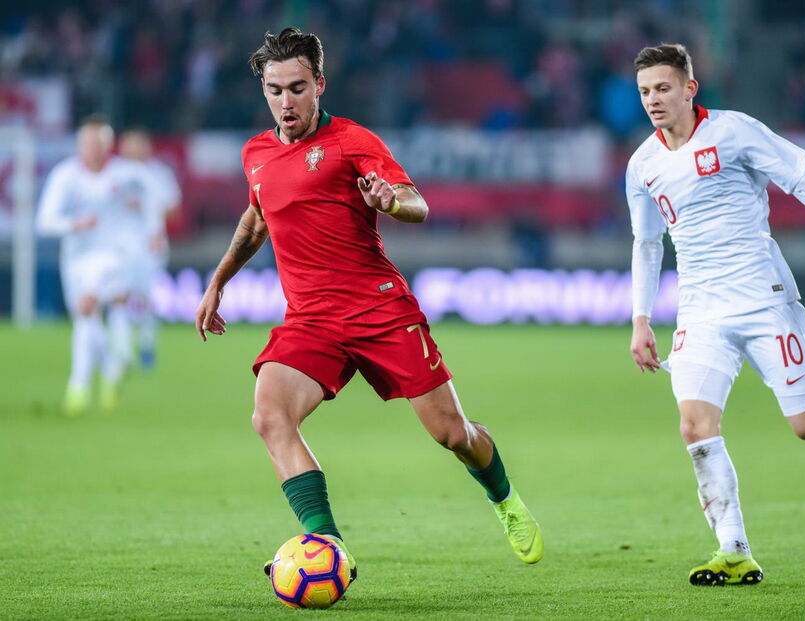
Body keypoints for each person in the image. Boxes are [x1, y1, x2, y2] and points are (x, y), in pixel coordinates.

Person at [194, 27, 543, 584]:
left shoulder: (353, 141)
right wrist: (218, 281)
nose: (287, 101)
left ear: (320, 85)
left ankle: (503, 497)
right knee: (269, 416)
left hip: (379, 309)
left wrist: (391, 201)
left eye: (298, 88)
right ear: (263, 90)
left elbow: (416, 203)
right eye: (275, 89)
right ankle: (327, 544)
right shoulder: (255, 153)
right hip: (311, 320)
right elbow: (258, 218)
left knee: (452, 434)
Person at [625, 44, 805, 586]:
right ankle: (733, 549)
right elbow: (647, 243)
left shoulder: (734, 131)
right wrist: (640, 318)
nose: (654, 99)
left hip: (763, 296)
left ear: (688, 89)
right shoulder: (642, 165)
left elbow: (800, 181)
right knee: (695, 426)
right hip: (700, 310)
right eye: (646, 91)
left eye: (663, 88)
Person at [37, 116, 161, 414]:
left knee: (89, 305)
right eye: (88, 143)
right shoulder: (65, 176)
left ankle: (77, 386)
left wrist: (153, 230)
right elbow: (44, 222)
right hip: (76, 259)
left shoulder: (125, 174)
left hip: (114, 256)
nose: (94, 149)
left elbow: (154, 195)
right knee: (86, 320)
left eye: (99, 143)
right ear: (80, 146)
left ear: (108, 145)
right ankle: (110, 372)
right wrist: (74, 224)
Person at [119, 128, 182, 370]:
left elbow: (173, 208)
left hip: (150, 244)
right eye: (130, 143)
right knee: (120, 297)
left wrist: (148, 209)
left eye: (139, 143)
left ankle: (146, 344)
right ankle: (122, 350)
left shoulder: (159, 173)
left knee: (145, 298)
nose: (134, 149)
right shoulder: (115, 173)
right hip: (120, 246)